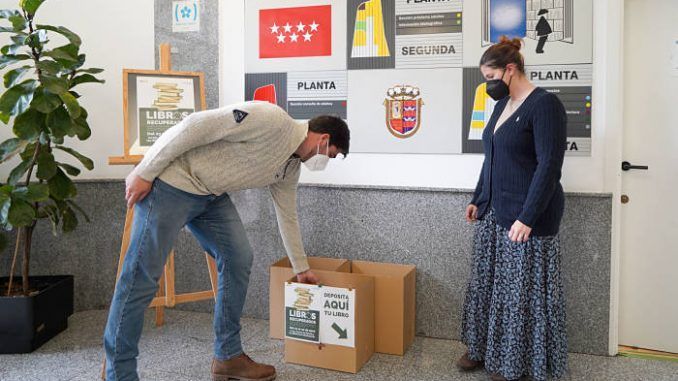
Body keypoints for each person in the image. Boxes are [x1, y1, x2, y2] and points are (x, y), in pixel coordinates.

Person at [103, 101, 350, 381]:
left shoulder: (291, 168)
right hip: (172, 185)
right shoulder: (272, 120)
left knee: (239, 258)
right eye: (331, 155)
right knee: (141, 276)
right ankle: (120, 374)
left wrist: (301, 267)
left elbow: (288, 215)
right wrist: (144, 171)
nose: (325, 161)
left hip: (211, 197)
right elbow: (193, 126)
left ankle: (228, 356)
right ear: (324, 138)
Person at [458, 36, 568, 381]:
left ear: (510, 69)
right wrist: (479, 198)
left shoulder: (545, 105)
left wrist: (527, 217)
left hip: (526, 218)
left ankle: (514, 362)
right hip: (495, 213)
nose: (488, 85)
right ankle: (484, 348)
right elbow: (493, 157)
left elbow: (549, 166)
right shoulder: (500, 106)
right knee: (490, 285)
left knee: (519, 292)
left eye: (491, 77)